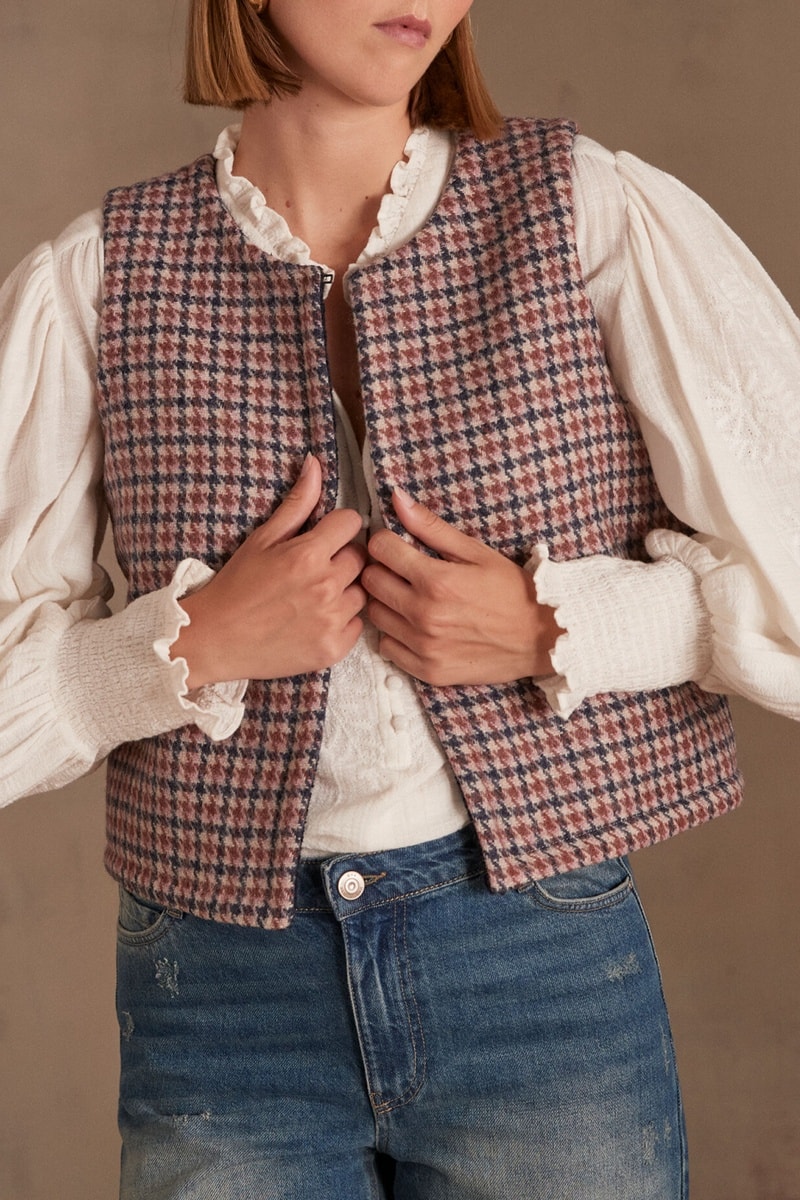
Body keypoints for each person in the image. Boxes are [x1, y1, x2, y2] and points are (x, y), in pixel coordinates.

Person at [1, 1, 799, 1196]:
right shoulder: (97, 278)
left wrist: (562, 626)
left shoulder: (581, 208)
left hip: (537, 959)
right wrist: (185, 647)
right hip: (217, 994)